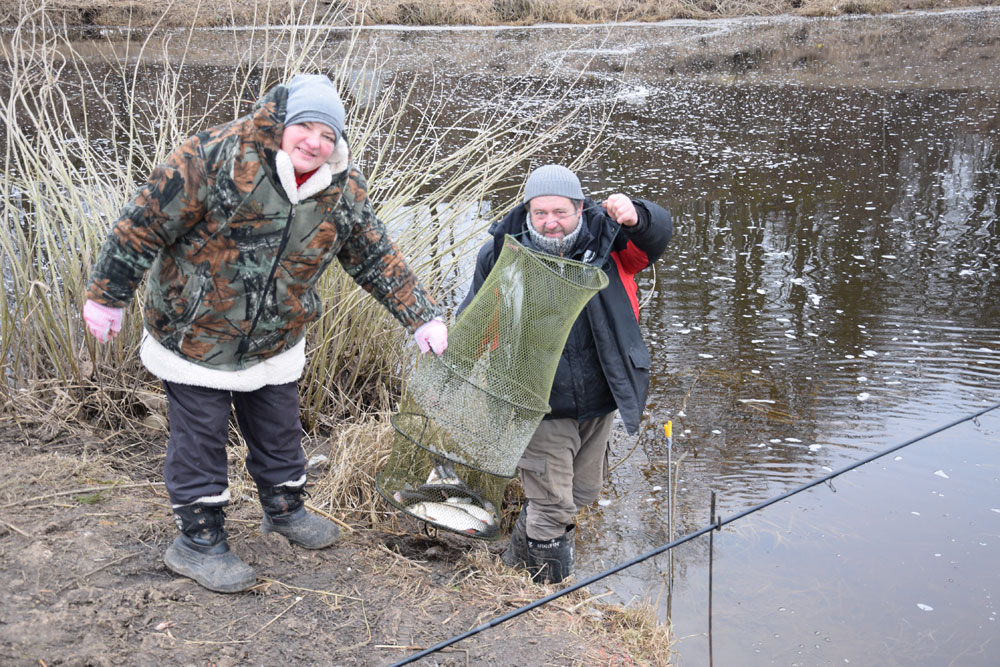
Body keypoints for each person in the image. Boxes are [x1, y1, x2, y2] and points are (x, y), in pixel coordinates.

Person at [82, 74, 448, 593]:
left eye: (328, 134)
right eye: (305, 128)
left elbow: (374, 255)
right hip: (195, 335)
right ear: (282, 125)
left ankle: (284, 511)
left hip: (276, 338)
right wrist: (106, 295)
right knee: (200, 439)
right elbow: (142, 223)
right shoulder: (215, 157)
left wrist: (421, 316)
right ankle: (198, 540)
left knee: (279, 430)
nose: (314, 143)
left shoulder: (342, 188)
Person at [459, 164, 671, 583]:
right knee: (554, 506)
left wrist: (637, 214)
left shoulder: (610, 243)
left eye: (561, 212)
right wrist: (451, 363)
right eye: (541, 213)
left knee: (582, 493)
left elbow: (656, 237)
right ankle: (546, 594)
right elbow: (476, 322)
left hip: (600, 396)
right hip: (536, 401)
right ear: (528, 211)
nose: (550, 222)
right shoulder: (502, 254)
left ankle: (517, 558)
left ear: (580, 207)